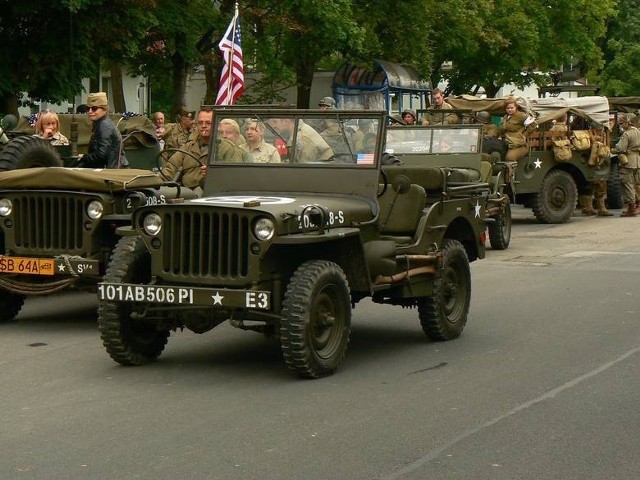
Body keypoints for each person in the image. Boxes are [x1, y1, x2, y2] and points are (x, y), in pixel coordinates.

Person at [159, 107, 212, 190]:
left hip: (210, 192)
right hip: (186, 191)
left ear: (217, 125)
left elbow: (231, 176)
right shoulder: (189, 146)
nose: (204, 126)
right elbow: (171, 168)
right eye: (200, 123)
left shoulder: (224, 147)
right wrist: (154, 181)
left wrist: (213, 173)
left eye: (208, 123)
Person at [78, 92, 127, 169]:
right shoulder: (100, 123)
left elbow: (101, 155)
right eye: (88, 108)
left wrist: (84, 157)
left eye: (94, 108)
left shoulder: (104, 125)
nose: (90, 111)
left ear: (104, 110)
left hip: (110, 172)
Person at [268, 117, 333, 162]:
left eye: (275, 122)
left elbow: (304, 171)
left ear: (286, 121)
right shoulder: (296, 133)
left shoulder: (302, 139)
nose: (273, 126)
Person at [612, 113, 640, 216]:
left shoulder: (626, 134)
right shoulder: (638, 131)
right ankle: (637, 205)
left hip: (628, 161)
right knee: (636, 184)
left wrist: (612, 150)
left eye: (621, 123)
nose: (620, 125)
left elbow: (620, 148)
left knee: (627, 184)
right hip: (637, 161)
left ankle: (631, 208)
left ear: (627, 122)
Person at [500, 97, 536, 162]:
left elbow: (533, 124)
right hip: (507, 143)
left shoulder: (521, 116)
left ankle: (511, 172)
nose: (510, 110)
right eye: (507, 108)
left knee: (510, 158)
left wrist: (524, 135)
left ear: (516, 107)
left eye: (512, 108)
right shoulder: (505, 117)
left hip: (518, 144)